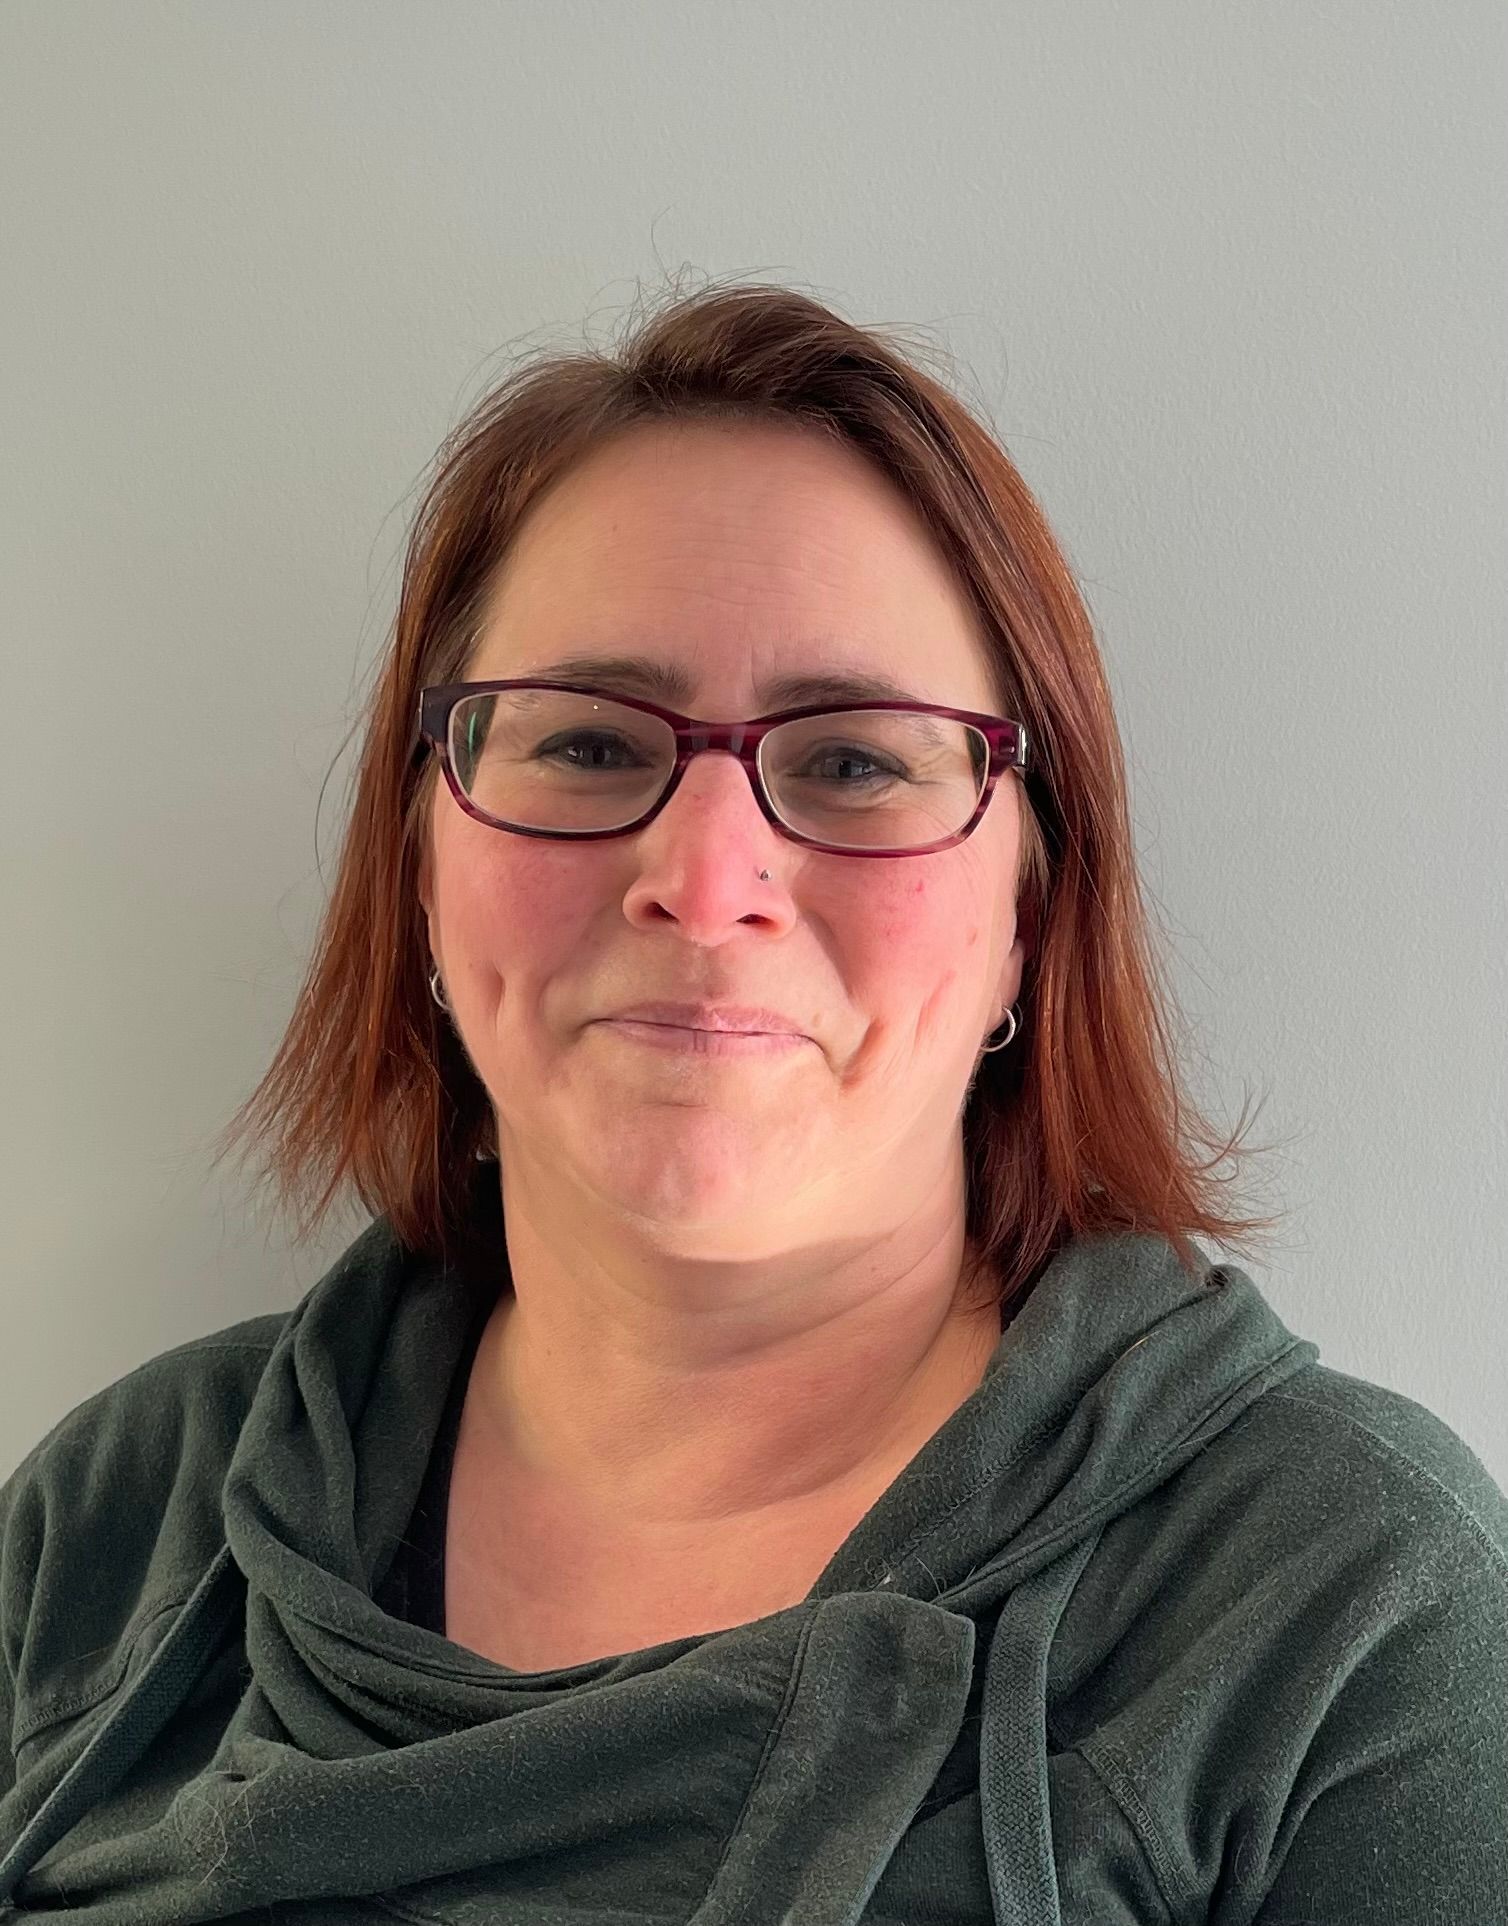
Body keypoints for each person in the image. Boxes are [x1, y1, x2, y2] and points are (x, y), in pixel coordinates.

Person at [1, 282, 1503, 1925]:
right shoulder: (116, 1515)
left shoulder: (1340, 1607)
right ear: (422, 869)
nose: (708, 884)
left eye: (856, 759)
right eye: (582, 744)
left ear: (1030, 913)